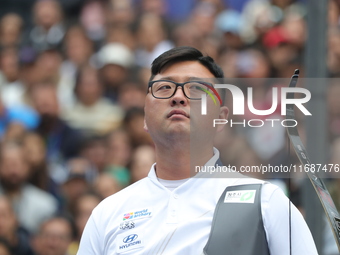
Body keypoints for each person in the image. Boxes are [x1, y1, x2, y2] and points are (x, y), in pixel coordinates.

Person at [77, 46, 318, 254]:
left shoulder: (265, 202)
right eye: (164, 88)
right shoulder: (108, 214)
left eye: (196, 90)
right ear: (144, 117)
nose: (179, 97)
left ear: (221, 119)